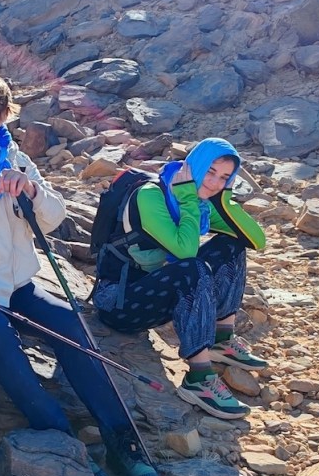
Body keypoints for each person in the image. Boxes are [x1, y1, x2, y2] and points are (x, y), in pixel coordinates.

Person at [0, 68, 159, 476]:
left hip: (15, 285)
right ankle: (63, 440)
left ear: (1, 114)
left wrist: (33, 190)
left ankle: (122, 442)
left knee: (71, 325)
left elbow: (53, 218)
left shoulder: (17, 163)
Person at [93, 137, 267, 420]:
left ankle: (221, 339)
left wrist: (224, 200)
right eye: (210, 172)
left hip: (155, 292)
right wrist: (187, 200)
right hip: (119, 303)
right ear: (194, 166)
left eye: (224, 177)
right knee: (191, 268)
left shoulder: (200, 202)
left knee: (232, 244)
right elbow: (185, 253)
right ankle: (198, 379)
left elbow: (256, 240)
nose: (214, 183)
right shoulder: (150, 196)